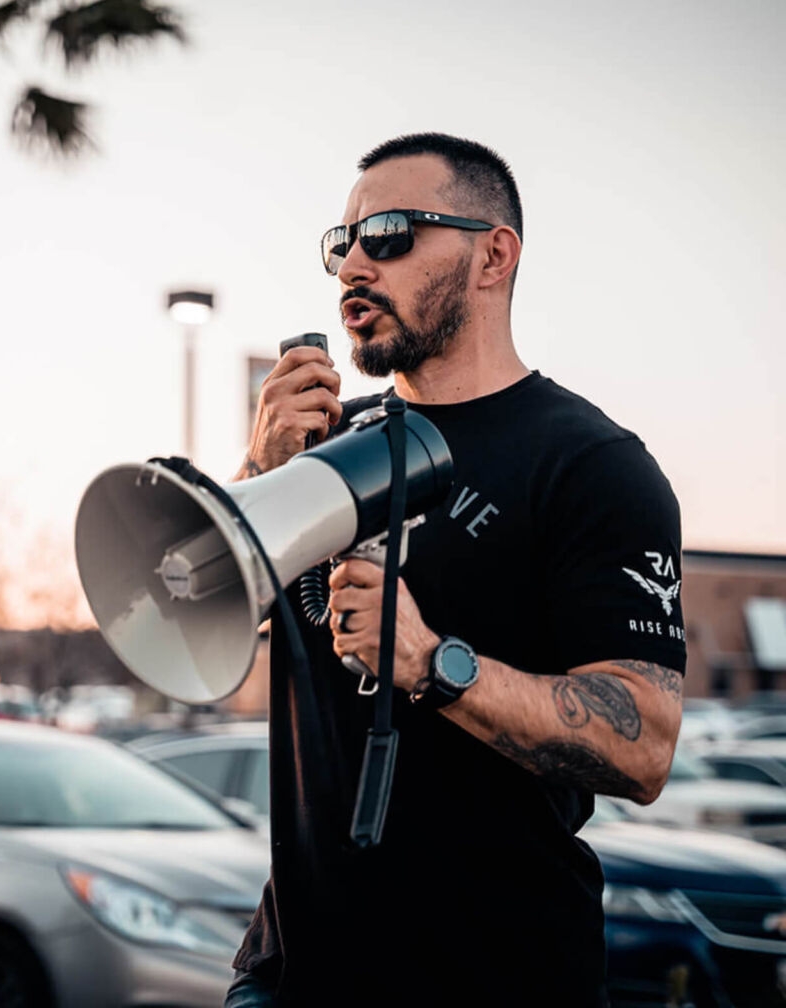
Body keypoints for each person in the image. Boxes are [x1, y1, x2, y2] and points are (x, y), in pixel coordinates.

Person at [225, 132, 685, 1007]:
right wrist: (259, 478)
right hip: (292, 974)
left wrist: (432, 664)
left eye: (390, 233)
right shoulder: (324, 448)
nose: (354, 264)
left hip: (499, 975)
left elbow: (646, 745)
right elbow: (186, 620)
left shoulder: (591, 465)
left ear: (493, 256)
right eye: (342, 241)